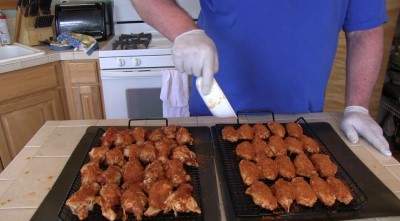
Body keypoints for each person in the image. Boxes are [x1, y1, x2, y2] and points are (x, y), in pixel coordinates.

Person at [131, 0, 392, 156]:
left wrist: (357, 106)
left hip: (301, 123)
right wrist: (184, 32)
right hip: (214, 114)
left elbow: (364, 29)